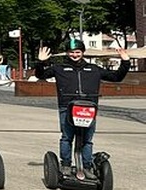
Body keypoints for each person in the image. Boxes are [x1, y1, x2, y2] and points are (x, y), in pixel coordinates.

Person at [35, 39, 130, 178]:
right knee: (67, 138)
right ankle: (66, 164)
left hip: (88, 108)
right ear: (67, 53)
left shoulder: (94, 69)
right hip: (67, 106)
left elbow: (116, 77)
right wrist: (41, 62)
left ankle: (87, 167)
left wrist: (125, 62)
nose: (75, 55)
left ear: (83, 52)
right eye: (71, 52)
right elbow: (40, 75)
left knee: (87, 140)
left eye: (78, 52)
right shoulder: (59, 68)